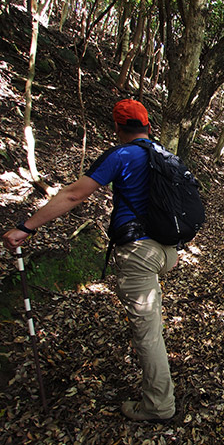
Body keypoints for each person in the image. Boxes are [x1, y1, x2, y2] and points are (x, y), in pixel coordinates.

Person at [2, 99, 177, 422]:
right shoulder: (164, 154)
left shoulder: (121, 154)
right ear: (148, 126)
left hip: (139, 252)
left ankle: (159, 406)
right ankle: (159, 384)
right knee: (151, 325)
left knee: (148, 334)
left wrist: (26, 227)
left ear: (117, 128)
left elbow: (73, 195)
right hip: (167, 251)